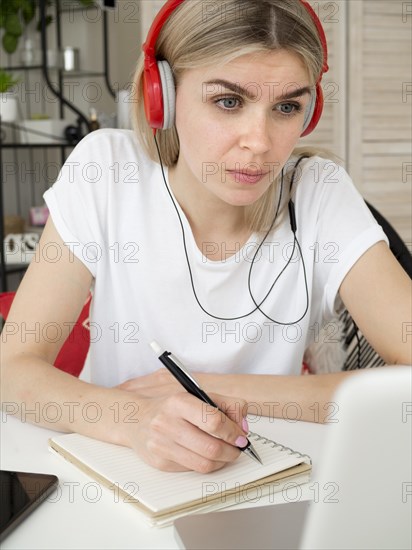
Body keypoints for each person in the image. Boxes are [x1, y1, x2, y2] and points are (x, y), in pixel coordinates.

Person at [1, 0, 411, 474]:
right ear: (163, 98)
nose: (259, 141)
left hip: (261, 475)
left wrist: (209, 387)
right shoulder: (106, 171)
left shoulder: (318, 191)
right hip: (119, 472)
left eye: (286, 107)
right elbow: (13, 371)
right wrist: (135, 418)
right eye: (229, 101)